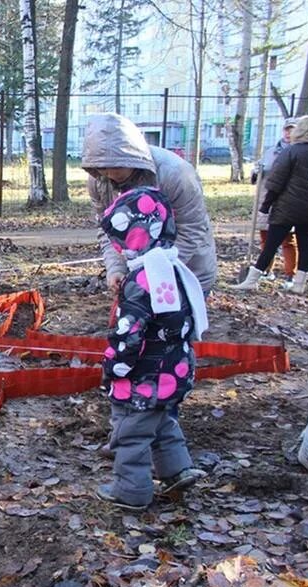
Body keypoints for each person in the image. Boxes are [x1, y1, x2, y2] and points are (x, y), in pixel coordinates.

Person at [97, 187, 208, 510]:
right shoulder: (175, 271)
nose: (118, 247)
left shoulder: (141, 280)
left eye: (120, 240)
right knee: (161, 421)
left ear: (134, 236)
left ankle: (131, 491)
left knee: (131, 432)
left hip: (142, 377)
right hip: (174, 370)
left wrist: (113, 368)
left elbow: (128, 333)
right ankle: (177, 469)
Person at [82, 113, 218, 295]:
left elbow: (192, 229)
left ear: (131, 156)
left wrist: (154, 273)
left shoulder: (176, 174)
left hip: (188, 270)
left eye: (117, 166)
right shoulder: (98, 181)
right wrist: (116, 269)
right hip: (140, 275)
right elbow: (109, 231)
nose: (110, 174)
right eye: (103, 167)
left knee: (179, 322)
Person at [232, 115, 308, 295]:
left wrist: (266, 205)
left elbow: (277, 180)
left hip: (289, 205)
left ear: (300, 130)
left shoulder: (292, 151)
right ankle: (299, 284)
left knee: (271, 243)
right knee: (305, 244)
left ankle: (251, 280)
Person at [251, 117, 298, 281]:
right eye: (286, 129)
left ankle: (290, 275)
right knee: (265, 237)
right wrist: (256, 171)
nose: (288, 133)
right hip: (267, 199)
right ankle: (266, 271)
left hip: (287, 201)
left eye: (292, 129)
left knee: (287, 239)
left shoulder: (298, 152)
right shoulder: (271, 151)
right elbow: (258, 174)